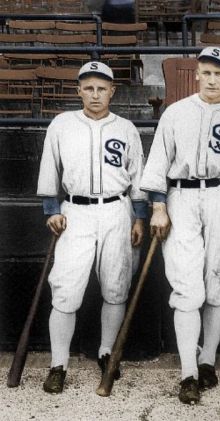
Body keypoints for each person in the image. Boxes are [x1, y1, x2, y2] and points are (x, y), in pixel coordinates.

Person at [140, 47, 220, 404]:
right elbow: (158, 163)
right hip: (182, 197)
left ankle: (208, 360)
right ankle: (188, 373)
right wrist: (158, 207)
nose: (211, 79)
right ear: (196, 74)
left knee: (219, 283)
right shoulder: (175, 113)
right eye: (206, 72)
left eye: (218, 73)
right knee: (186, 287)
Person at [37, 61, 148, 394]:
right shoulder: (62, 124)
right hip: (76, 211)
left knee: (116, 286)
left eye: (102, 88)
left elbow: (138, 176)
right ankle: (58, 364)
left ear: (112, 91)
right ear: (79, 91)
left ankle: (106, 353)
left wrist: (139, 217)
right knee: (66, 290)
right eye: (89, 88)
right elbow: (49, 168)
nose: (95, 94)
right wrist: (51, 209)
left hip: (117, 209)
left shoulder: (126, 128)